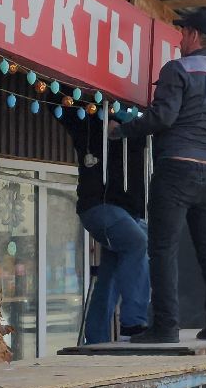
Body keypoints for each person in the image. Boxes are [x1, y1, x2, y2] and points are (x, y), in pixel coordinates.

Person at [117, 7, 206, 343]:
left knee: (162, 249)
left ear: (195, 35)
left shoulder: (178, 70)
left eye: (183, 33)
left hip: (175, 170)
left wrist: (122, 130)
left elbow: (163, 117)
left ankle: (166, 326)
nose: (180, 39)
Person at [58, 109, 149, 343]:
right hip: (99, 206)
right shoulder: (89, 122)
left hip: (127, 212)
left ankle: (96, 335)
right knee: (137, 243)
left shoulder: (141, 129)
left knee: (111, 271)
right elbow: (61, 106)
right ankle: (133, 321)